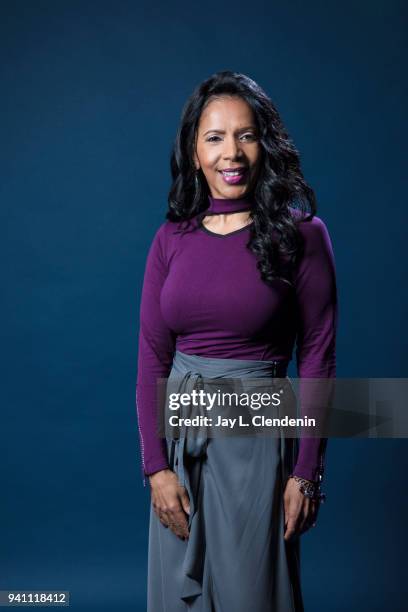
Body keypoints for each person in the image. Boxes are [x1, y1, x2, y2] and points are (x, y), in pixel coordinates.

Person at [135, 70, 338, 611]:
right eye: (215, 137)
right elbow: (152, 358)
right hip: (181, 449)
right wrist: (155, 468)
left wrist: (307, 474)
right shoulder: (170, 239)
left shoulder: (304, 237)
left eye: (246, 135)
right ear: (194, 150)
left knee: (256, 597)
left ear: (264, 144)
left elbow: (318, 356)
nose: (233, 153)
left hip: (258, 445)